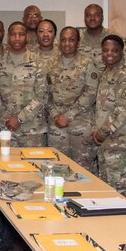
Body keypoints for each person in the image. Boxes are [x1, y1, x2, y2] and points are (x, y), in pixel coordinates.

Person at [92, 35, 126, 204]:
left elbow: (125, 109)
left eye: (114, 50)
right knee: (108, 192)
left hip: (122, 145)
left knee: (122, 196)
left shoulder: (125, 75)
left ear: (122, 52)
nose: (109, 54)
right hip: (107, 145)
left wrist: (103, 132)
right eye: (106, 50)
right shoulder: (106, 74)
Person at [45, 27, 100, 172]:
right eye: (63, 40)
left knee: (83, 170)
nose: (67, 43)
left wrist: (68, 116)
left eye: (71, 40)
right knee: (57, 168)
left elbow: (91, 93)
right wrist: (56, 115)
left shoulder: (87, 63)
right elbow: (45, 94)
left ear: (78, 42)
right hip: (56, 126)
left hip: (80, 126)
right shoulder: (50, 64)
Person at [0, 21, 47, 147]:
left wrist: (20, 118)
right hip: (5, 129)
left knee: (33, 166)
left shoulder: (38, 62)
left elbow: (42, 95)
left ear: (27, 37)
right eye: (13, 34)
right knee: (3, 165)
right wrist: (6, 116)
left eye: (21, 34)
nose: (17, 38)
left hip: (32, 130)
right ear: (8, 37)